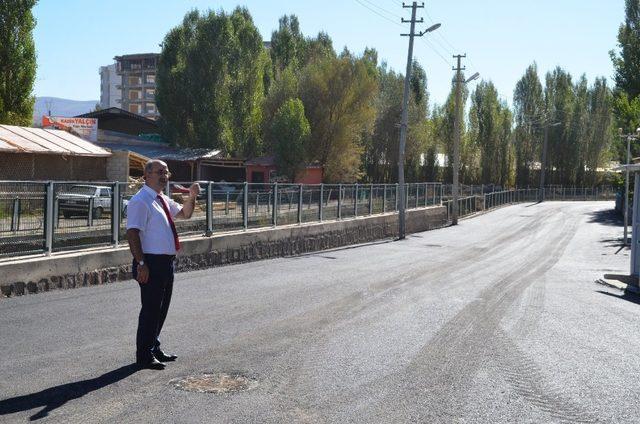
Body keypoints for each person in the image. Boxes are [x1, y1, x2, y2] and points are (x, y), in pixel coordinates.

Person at [126, 159, 199, 370]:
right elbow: (132, 233)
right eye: (160, 172)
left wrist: (191, 197)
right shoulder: (140, 201)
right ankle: (144, 354)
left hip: (166, 262)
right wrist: (141, 263)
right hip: (150, 262)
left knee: (161, 309)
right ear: (146, 175)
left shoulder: (162, 199)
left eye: (167, 172)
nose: (165, 175)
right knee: (150, 309)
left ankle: (154, 347)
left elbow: (185, 214)